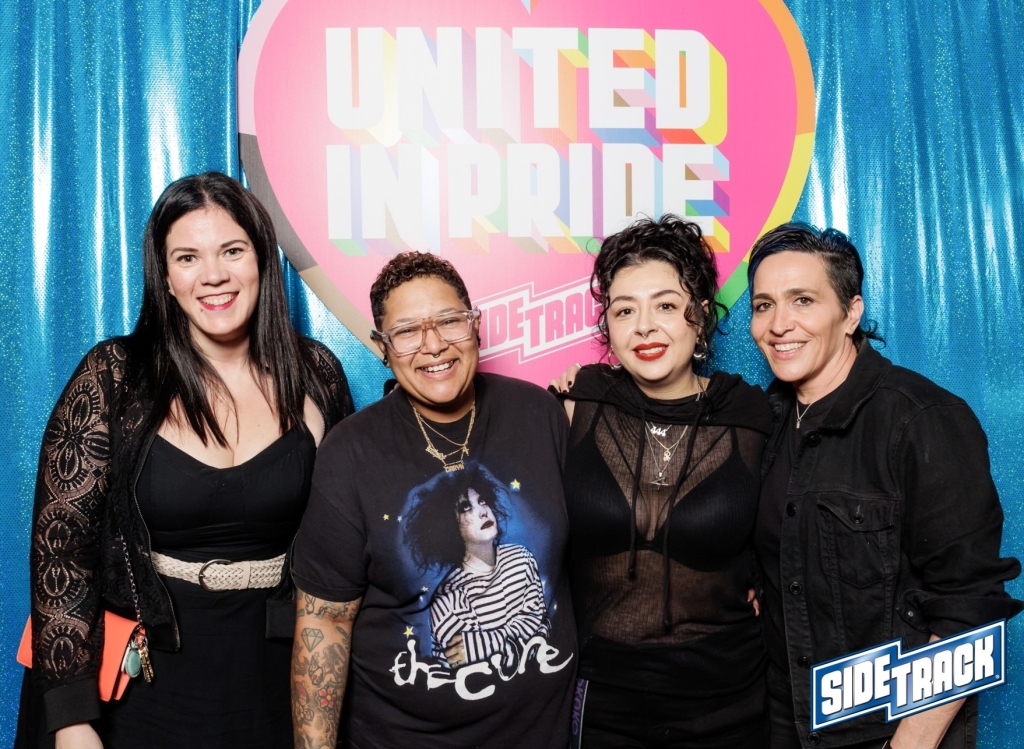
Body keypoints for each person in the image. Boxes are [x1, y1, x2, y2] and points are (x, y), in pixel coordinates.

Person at [17, 172, 353, 749]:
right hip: (141, 686)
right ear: (166, 278)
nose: (213, 274)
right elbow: (62, 550)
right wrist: (72, 719)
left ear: (261, 260)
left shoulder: (315, 373)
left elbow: (346, 541)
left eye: (232, 251)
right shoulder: (115, 377)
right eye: (188, 257)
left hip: (277, 683)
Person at [747, 222, 1023, 749]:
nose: (779, 324)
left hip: (888, 731)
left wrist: (908, 744)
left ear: (851, 312)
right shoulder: (765, 422)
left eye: (803, 300)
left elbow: (968, 608)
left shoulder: (922, 419)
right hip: (785, 724)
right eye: (764, 305)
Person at [290, 252, 576, 749]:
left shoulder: (540, 413)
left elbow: (555, 594)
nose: (434, 344)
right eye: (407, 331)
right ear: (382, 347)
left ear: (476, 325)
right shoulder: (351, 451)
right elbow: (324, 621)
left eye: (449, 321)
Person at [555, 214, 773, 748]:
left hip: (728, 702)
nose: (644, 327)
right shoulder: (575, 405)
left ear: (700, 316)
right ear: (608, 327)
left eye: (666, 306)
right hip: (602, 702)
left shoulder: (751, 415)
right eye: (625, 310)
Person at [403, 464, 549, 668]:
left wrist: (483, 644)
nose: (483, 512)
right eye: (466, 508)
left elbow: (539, 625)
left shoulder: (521, 559)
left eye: (482, 501)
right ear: (448, 525)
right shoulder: (448, 602)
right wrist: (516, 637)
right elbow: (479, 669)